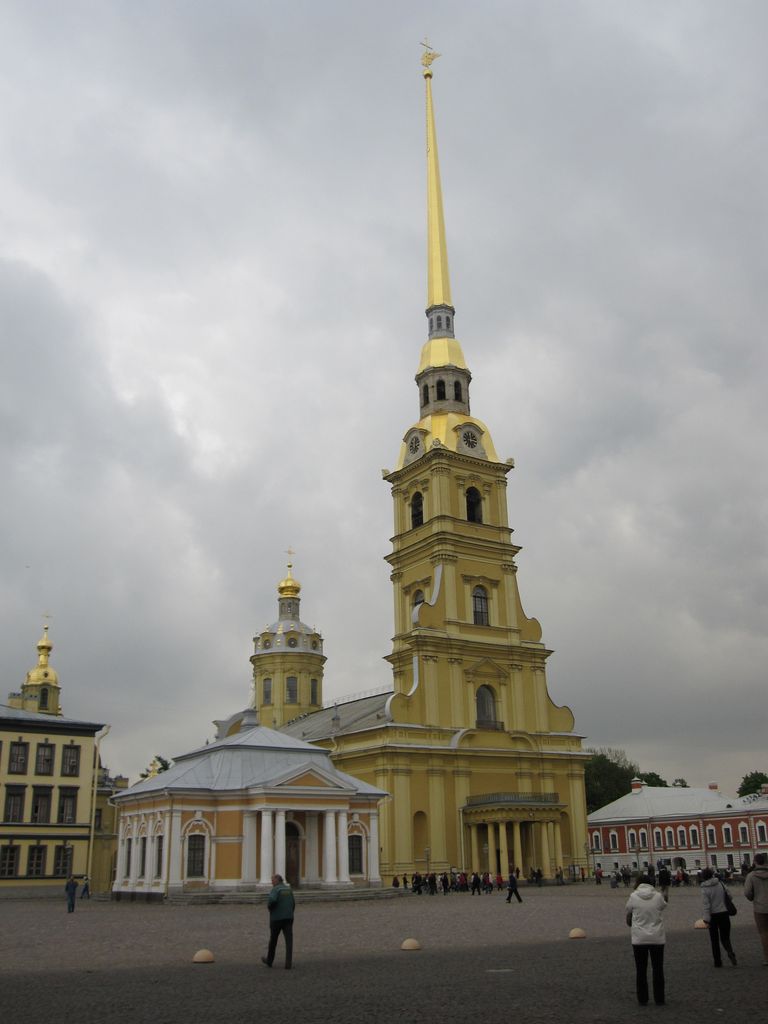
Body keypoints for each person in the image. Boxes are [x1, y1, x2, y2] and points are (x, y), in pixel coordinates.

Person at [626, 873, 666, 1006]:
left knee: (641, 970)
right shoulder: (658, 896)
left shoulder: (633, 896)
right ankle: (659, 998)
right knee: (658, 968)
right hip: (657, 937)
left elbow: (628, 909)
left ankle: (642, 999)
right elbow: (663, 906)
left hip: (639, 938)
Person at [701, 868, 737, 967]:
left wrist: (706, 919)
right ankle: (730, 951)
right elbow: (730, 895)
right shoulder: (720, 883)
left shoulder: (704, 888)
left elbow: (706, 905)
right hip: (724, 913)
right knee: (725, 937)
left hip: (713, 915)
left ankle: (717, 961)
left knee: (714, 940)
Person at [261, 873, 295, 970]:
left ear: (277, 880)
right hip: (288, 918)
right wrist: (290, 913)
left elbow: (272, 900)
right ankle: (288, 963)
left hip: (277, 918)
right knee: (289, 941)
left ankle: (269, 961)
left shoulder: (276, 889)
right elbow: (293, 903)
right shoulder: (288, 889)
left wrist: (270, 909)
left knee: (273, 940)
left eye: (272, 880)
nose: (271, 882)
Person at [744, 852, 768, 965]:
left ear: (755, 862)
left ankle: (767, 958)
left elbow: (747, 892)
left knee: (764, 933)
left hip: (760, 908)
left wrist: (752, 897)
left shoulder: (751, 876)